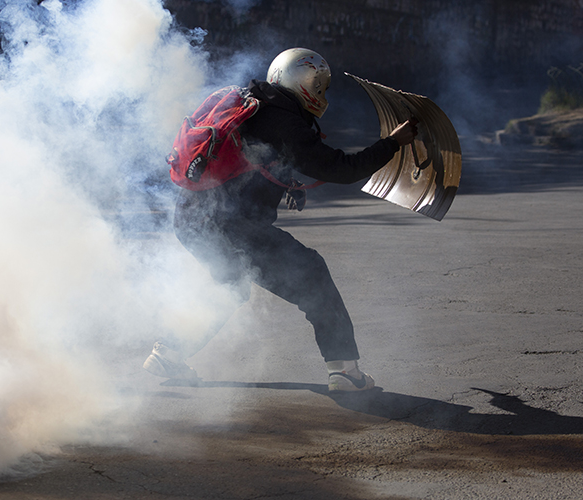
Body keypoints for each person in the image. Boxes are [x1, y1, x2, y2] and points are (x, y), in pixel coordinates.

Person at [143, 48, 418, 392]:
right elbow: (342, 169)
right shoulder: (284, 120)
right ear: (306, 84)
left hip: (190, 217)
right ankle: (346, 372)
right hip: (232, 227)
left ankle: (169, 352)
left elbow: (252, 157)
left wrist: (288, 181)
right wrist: (391, 144)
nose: (322, 94)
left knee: (229, 286)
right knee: (312, 275)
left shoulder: (250, 100)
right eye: (321, 86)